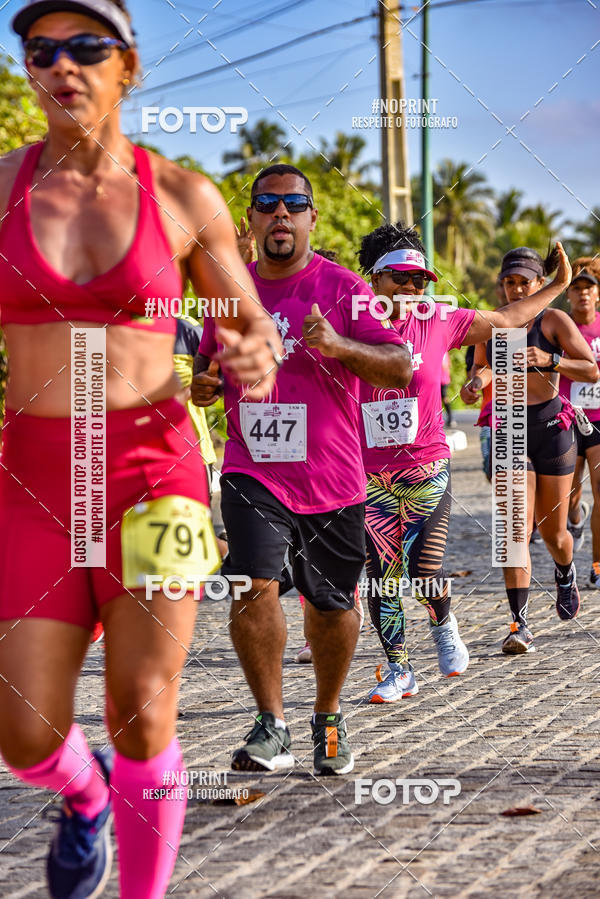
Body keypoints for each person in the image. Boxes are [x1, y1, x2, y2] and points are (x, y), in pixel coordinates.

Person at [0, 3, 280, 899]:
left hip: (157, 474)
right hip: (33, 476)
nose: (63, 64)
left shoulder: (183, 196)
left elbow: (252, 327)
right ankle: (83, 801)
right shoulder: (1, 185)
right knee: (25, 732)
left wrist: (249, 353)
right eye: (41, 49)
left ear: (129, 65)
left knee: (140, 706)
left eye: (87, 47)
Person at [193, 164, 412, 774]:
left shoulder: (344, 289)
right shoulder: (229, 294)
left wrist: (339, 346)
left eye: (294, 204)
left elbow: (399, 366)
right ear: (253, 220)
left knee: (333, 606)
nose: (280, 214)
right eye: (268, 204)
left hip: (333, 478)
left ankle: (328, 713)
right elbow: (208, 365)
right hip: (252, 468)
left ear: (312, 217)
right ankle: (272, 723)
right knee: (250, 580)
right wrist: (206, 383)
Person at [356, 226, 574, 702]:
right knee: (383, 574)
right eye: (400, 279)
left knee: (425, 568)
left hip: (426, 466)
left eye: (420, 281)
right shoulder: (350, 324)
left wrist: (558, 285)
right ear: (374, 279)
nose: (412, 290)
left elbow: (504, 318)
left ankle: (442, 621)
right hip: (369, 474)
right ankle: (398, 669)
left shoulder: (438, 319)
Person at [466, 247, 598, 654]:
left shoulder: (554, 320)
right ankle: (518, 624)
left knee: (553, 533)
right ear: (501, 285)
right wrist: (475, 384)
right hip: (510, 428)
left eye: (525, 281)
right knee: (513, 530)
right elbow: (480, 370)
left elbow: (592, 368)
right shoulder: (492, 325)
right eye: (510, 281)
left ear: (539, 284)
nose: (517, 288)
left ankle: (565, 572)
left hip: (553, 428)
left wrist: (552, 359)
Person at [559, 264, 600, 582]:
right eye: (577, 288)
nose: (583, 293)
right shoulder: (563, 328)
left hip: (599, 420)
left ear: (597, 294)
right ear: (568, 294)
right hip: (569, 418)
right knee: (569, 495)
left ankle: (597, 566)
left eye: (589, 288)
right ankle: (576, 519)